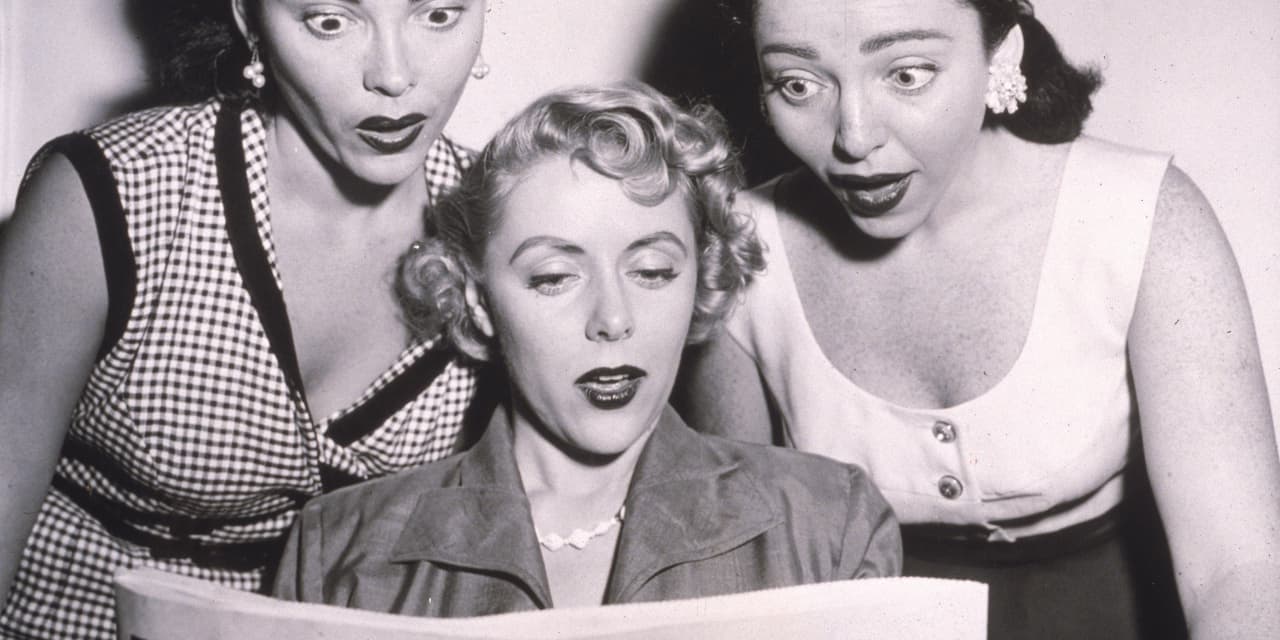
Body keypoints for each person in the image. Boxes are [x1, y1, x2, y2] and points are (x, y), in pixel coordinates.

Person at [677, 0, 1280, 637]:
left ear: (1001, 57)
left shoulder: (1143, 216)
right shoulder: (741, 250)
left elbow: (1239, 569)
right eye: (799, 84)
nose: (854, 138)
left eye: (907, 74)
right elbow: (746, 574)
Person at [271, 83, 901, 614]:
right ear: (478, 301)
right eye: (554, 278)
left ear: (700, 280)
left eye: (652, 271)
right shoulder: (339, 555)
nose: (613, 320)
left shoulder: (828, 527)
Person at [0, 1, 490, 636]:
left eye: (439, 13)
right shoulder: (114, 192)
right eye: (330, 20)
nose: (394, 76)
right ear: (249, 19)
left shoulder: (501, 228)